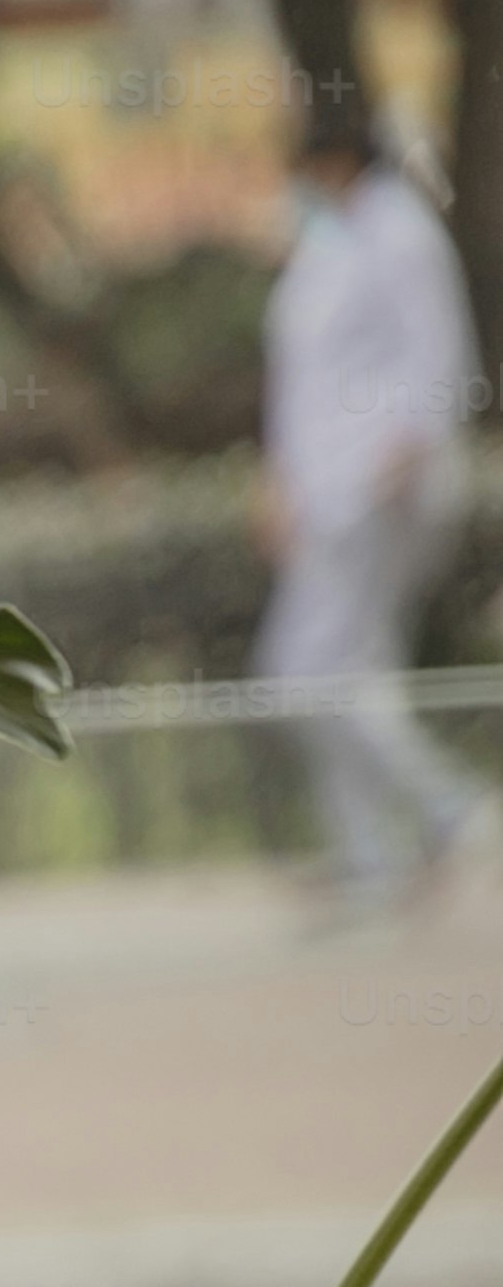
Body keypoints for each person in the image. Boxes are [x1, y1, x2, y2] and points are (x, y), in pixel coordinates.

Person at [260, 85, 491, 918]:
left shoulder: (398, 232)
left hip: (373, 487)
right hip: (326, 488)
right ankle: (371, 853)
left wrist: (405, 453)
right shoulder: (332, 239)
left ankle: (445, 810)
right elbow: (302, 377)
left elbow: (438, 350)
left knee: (299, 671)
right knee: (349, 673)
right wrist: (280, 479)